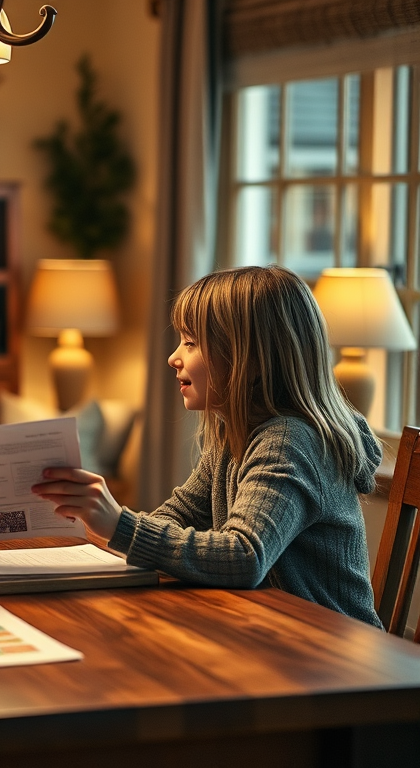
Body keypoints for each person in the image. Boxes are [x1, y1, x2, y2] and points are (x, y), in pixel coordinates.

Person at [33, 264, 384, 627]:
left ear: (249, 359)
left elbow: (244, 557)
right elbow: (180, 513)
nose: (174, 357)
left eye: (190, 342)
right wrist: (115, 526)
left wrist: (120, 524)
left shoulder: (289, 441)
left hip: (338, 654)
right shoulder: (234, 433)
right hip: (272, 632)